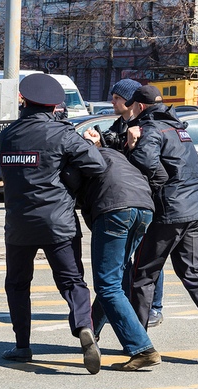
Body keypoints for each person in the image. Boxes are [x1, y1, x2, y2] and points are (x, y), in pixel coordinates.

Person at [0, 73, 107, 374]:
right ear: (55, 106)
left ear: (24, 101)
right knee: (72, 281)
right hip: (58, 222)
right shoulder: (63, 134)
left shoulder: (7, 135)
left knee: (18, 285)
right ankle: (84, 327)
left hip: (18, 223)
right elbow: (97, 165)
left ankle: (22, 345)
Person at [124, 85, 198, 366]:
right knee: (192, 270)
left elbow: (144, 161)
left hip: (170, 212)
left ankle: (139, 344)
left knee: (143, 274)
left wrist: (159, 179)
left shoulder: (151, 128)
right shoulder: (179, 129)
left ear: (139, 106)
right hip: (197, 210)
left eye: (131, 106)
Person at [69, 143, 161, 371]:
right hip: (144, 207)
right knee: (114, 279)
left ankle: (142, 349)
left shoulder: (78, 160)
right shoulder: (113, 154)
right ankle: (92, 332)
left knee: (107, 285)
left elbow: (71, 193)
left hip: (115, 209)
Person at [84, 78, 165, 327]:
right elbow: (117, 149)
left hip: (145, 200)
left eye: (117, 98)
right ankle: (122, 305)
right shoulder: (121, 125)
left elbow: (149, 165)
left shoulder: (146, 126)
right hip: (129, 198)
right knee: (126, 260)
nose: (113, 101)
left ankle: (154, 307)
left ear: (131, 102)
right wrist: (101, 142)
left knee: (147, 259)